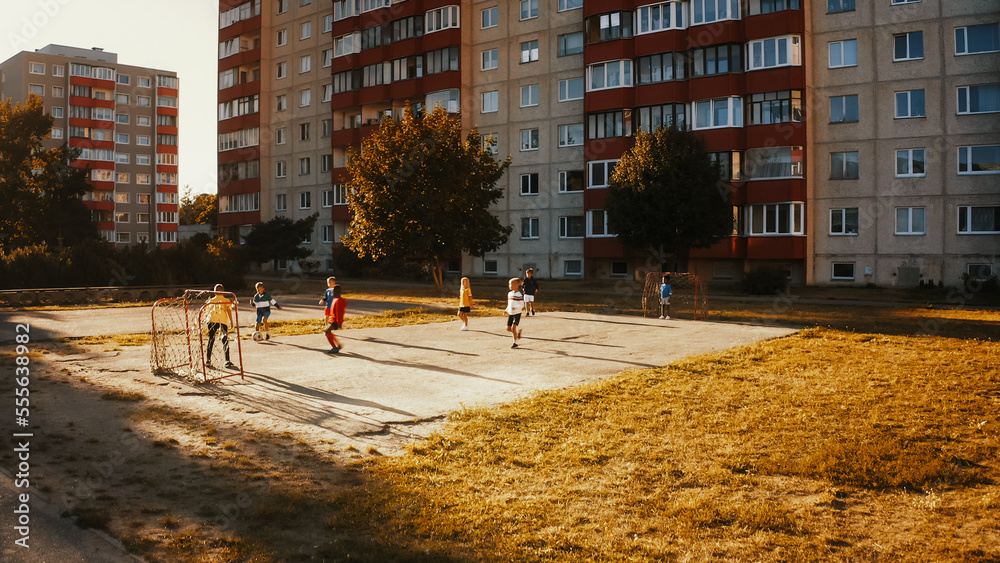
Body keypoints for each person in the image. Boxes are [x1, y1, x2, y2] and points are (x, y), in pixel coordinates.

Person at [205, 284, 237, 369]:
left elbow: (206, 310)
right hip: (222, 322)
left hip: (211, 321)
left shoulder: (211, 300)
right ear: (224, 292)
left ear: (215, 292)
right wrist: (231, 321)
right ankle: (227, 361)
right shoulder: (226, 300)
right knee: (225, 340)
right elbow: (229, 311)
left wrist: (203, 320)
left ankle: (208, 360)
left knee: (211, 339)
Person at [319, 277, 345, 353]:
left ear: (337, 293)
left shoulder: (338, 301)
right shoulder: (336, 299)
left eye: (334, 292)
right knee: (328, 331)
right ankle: (338, 345)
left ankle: (335, 347)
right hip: (333, 320)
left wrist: (339, 322)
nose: (332, 293)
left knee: (327, 331)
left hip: (336, 321)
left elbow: (340, 312)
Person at [505, 277, 524, 348]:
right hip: (511, 313)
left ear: (516, 285)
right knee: (508, 329)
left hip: (517, 313)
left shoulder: (519, 294)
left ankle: (515, 343)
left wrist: (516, 308)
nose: (509, 285)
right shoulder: (509, 294)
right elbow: (509, 304)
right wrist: (506, 310)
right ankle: (516, 335)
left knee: (513, 327)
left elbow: (522, 304)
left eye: (511, 284)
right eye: (509, 284)